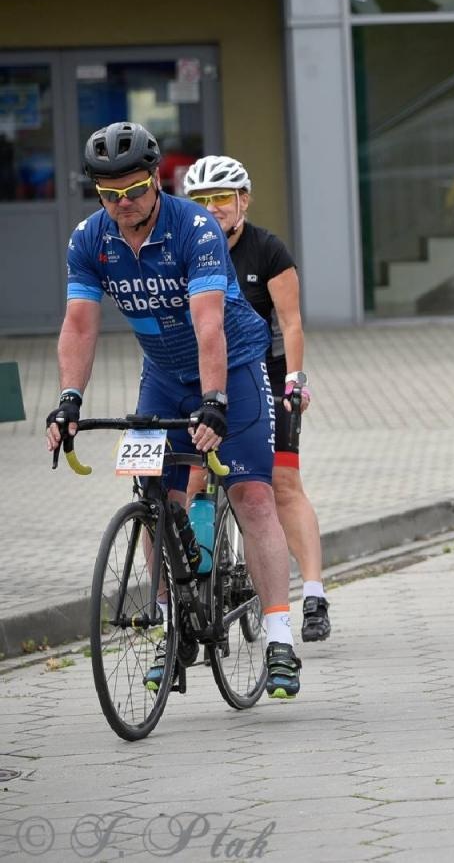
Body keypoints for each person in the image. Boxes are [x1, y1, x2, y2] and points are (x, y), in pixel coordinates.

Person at [45, 122, 302, 697]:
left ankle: (281, 637)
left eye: (133, 190)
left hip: (230, 365)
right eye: (109, 195)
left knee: (252, 493)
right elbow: (80, 324)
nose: (123, 205)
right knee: (157, 497)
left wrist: (214, 404)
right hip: (161, 375)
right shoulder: (90, 239)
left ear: (156, 179)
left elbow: (208, 323)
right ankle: (170, 625)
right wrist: (68, 401)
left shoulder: (196, 227)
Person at [183, 155, 331, 642]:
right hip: (208, 382)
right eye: (200, 201)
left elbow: (290, 324)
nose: (212, 208)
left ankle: (312, 593)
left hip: (264, 380)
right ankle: (201, 590)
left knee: (283, 483)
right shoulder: (186, 249)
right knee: (195, 478)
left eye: (221, 198)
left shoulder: (266, 249)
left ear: (243, 199)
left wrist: (295, 381)